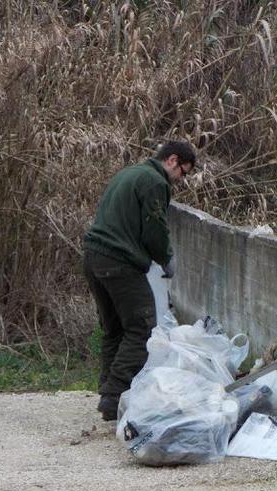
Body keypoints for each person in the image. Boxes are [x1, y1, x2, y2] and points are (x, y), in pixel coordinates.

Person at [83, 141, 196, 420]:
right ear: (172, 160)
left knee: (115, 329)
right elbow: (154, 228)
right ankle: (115, 397)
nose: (182, 179)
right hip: (119, 262)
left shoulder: (130, 173)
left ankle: (108, 394)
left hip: (93, 257)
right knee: (142, 327)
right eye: (184, 171)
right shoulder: (155, 182)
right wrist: (166, 258)